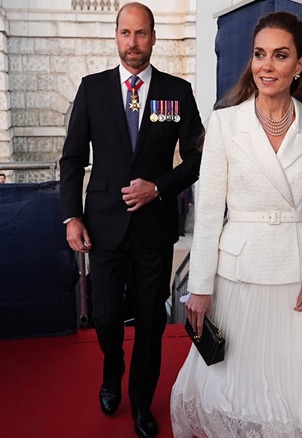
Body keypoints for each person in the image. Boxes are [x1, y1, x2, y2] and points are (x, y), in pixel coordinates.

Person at [170, 11, 302, 437]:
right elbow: (209, 211)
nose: (266, 66)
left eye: (280, 56)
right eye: (260, 55)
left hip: (295, 279)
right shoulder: (225, 122)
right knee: (236, 393)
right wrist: (199, 287)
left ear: (298, 66)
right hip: (237, 276)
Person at [58, 2, 203, 437]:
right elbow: (70, 159)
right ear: (116, 36)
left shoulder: (176, 92)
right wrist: (71, 217)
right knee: (105, 318)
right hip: (102, 225)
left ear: (153, 37)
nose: (133, 42)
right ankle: (111, 370)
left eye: (141, 34)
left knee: (151, 323)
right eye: (126, 33)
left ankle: (141, 403)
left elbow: (199, 156)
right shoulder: (92, 89)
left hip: (154, 229)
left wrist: (159, 186)